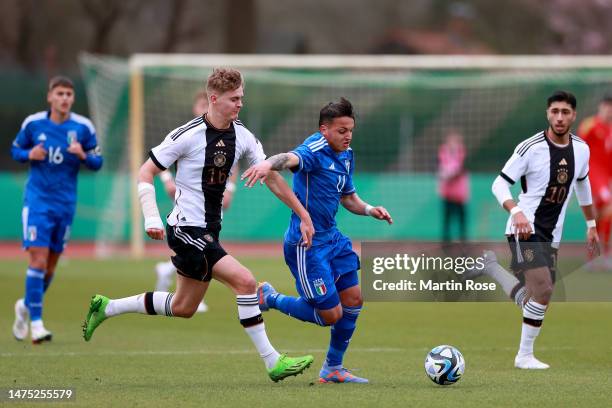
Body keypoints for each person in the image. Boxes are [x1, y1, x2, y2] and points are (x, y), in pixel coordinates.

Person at [82, 68, 316, 382]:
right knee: (246, 283)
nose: (239, 104)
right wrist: (151, 216)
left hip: (209, 230)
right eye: (234, 99)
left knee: (183, 306)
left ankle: (107, 307)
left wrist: (303, 213)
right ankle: (273, 362)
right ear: (214, 98)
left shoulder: (243, 136)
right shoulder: (186, 135)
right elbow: (145, 172)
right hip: (185, 230)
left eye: (242, 98)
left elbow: (270, 176)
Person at [242, 97, 393, 383]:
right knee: (330, 315)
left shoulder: (347, 155)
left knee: (354, 299)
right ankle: (269, 297)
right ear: (325, 130)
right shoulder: (315, 148)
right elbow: (289, 158)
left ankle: (334, 368)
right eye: (341, 130)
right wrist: (266, 165)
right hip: (306, 244)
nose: (347, 136)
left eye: (350, 130)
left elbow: (348, 197)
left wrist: (370, 209)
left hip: (333, 239)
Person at [472, 91, 598, 369]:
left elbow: (583, 184)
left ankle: (492, 268)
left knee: (534, 297)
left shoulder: (581, 149)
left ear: (574, 115)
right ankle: (524, 356)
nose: (560, 117)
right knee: (545, 289)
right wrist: (515, 211)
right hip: (524, 229)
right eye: (555, 111)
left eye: (565, 112)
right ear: (547, 114)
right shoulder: (530, 147)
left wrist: (591, 225)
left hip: (551, 234)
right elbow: (499, 184)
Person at [11, 75, 103, 343]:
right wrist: (29, 154)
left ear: (72, 99)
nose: (64, 98)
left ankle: (25, 306)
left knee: (50, 268)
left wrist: (83, 155)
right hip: (38, 201)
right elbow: (16, 149)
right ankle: (37, 324)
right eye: (59, 94)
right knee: (37, 260)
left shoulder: (83, 127)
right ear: (50, 97)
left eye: (68, 94)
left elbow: (98, 162)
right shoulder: (33, 123)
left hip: (65, 204)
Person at [153, 90, 240, 312]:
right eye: (201, 105)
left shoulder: (230, 132)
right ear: (197, 107)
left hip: (211, 205)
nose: (204, 109)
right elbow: (159, 160)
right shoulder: (189, 132)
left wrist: (230, 188)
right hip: (188, 203)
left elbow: (234, 160)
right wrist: (166, 181)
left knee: (183, 305)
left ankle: (169, 271)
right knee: (242, 279)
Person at [578, 94, 612, 267]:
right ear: (601, 107)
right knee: (607, 207)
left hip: (606, 178)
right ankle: (603, 256)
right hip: (592, 176)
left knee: (599, 217)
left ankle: (595, 257)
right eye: (607, 106)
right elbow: (578, 148)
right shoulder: (590, 125)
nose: (609, 110)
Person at [437, 129, 469, 244]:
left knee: (461, 217)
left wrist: (452, 174)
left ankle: (463, 239)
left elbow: (462, 169)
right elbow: (441, 169)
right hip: (447, 193)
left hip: (460, 193)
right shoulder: (442, 152)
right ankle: (446, 240)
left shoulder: (462, 153)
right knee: (447, 217)